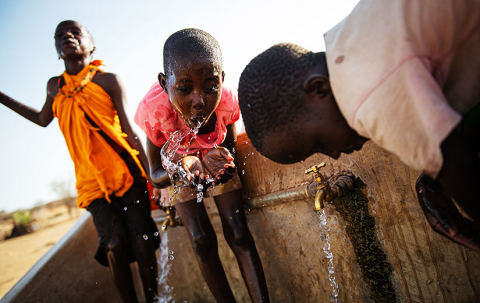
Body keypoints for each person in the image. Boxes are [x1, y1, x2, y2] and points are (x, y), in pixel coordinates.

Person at [237, 0, 480, 251]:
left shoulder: (370, 98)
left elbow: (455, 163)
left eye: (319, 143)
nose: (332, 154)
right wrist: (431, 183)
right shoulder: (353, 39)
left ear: (319, 88)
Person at [0, 21, 160, 302]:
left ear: (91, 45)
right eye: (59, 35)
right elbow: (41, 119)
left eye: (75, 32)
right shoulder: (55, 86)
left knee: (142, 242)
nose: (67, 37)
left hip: (127, 172)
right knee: (114, 244)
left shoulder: (107, 79)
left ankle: (154, 299)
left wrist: (153, 176)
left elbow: (130, 131)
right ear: (56, 50)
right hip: (91, 183)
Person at [135, 28, 270, 302]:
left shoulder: (227, 101)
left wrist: (217, 160)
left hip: (213, 156)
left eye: (210, 87)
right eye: (184, 88)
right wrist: (181, 167)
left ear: (221, 79)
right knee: (201, 239)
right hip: (178, 166)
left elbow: (230, 147)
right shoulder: (155, 111)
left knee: (238, 232)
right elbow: (156, 174)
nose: (199, 100)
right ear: (164, 83)